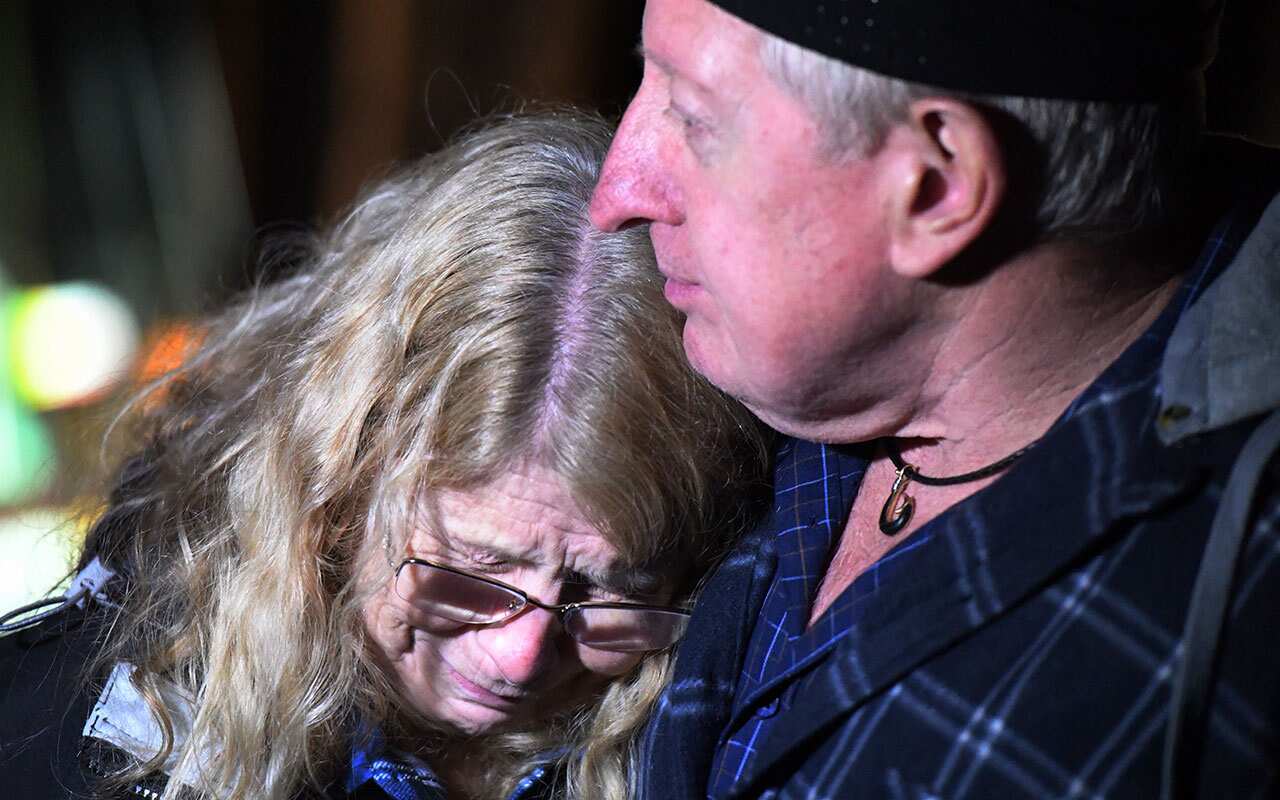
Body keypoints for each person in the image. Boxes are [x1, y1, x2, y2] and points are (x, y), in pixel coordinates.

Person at [589, 1, 1280, 798]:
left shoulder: (1236, 618)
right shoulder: (747, 358)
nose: (618, 190)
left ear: (939, 187)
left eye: (693, 117)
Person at [0, 111, 768, 800]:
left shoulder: (723, 708)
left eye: (605, 593)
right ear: (335, 493)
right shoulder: (70, 737)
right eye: (467, 574)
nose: (519, 657)